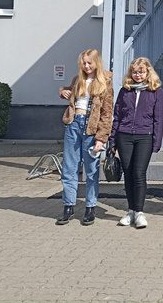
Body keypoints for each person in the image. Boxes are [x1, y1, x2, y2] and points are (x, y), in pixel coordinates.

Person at [56, 49, 114, 226]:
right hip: (73, 125)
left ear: (97, 63)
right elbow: (68, 93)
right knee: (69, 168)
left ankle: (90, 207)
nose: (87, 66)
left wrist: (101, 138)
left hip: (91, 128)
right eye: (84, 63)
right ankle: (68, 206)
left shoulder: (105, 82)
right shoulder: (77, 80)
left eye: (89, 63)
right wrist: (63, 92)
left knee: (91, 170)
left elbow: (107, 113)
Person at [109, 57, 163, 229]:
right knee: (128, 173)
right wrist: (112, 140)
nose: (137, 75)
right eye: (134, 72)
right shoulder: (125, 90)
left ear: (148, 72)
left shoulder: (155, 91)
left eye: (141, 72)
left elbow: (159, 118)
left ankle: (139, 212)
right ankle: (131, 211)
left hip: (144, 136)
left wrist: (156, 141)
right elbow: (117, 115)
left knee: (139, 173)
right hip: (124, 135)